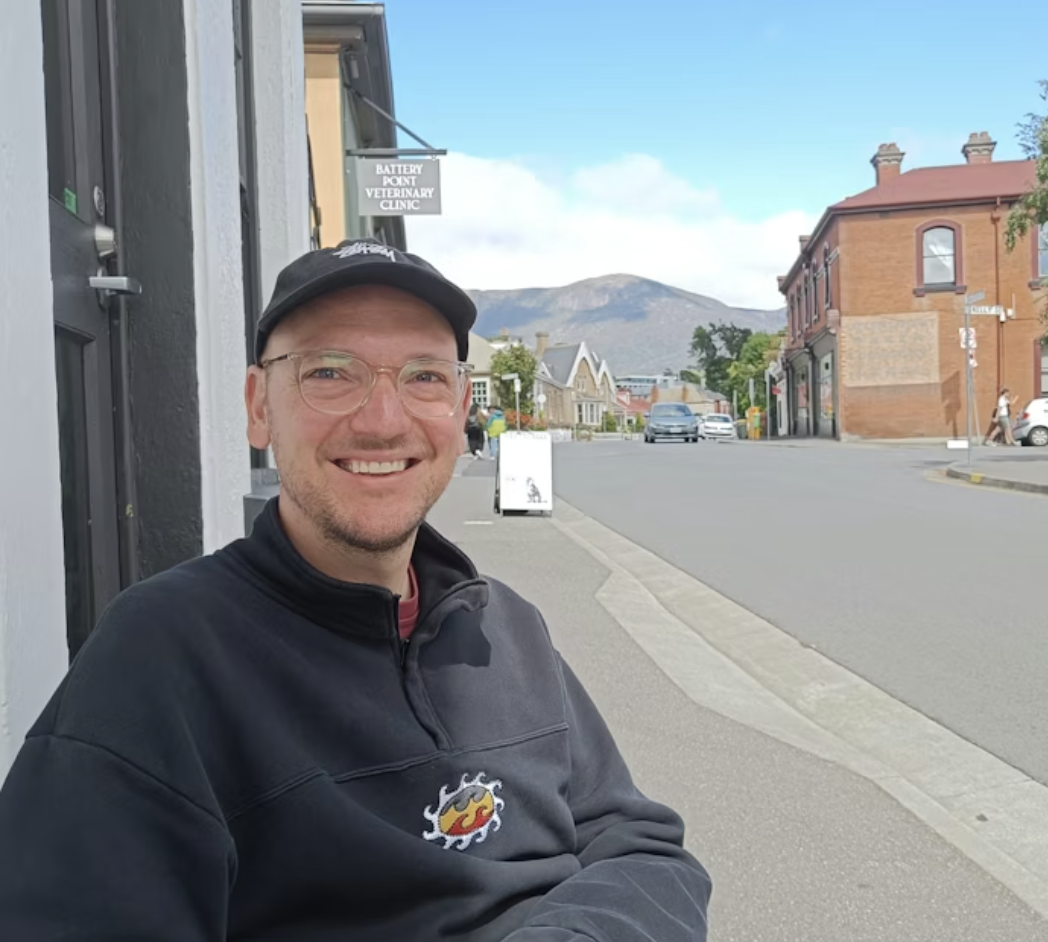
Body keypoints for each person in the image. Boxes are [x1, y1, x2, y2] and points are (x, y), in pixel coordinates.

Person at [0, 238, 711, 941]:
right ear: (259, 407)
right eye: (330, 372)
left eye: (424, 377)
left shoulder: (508, 628)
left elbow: (643, 848)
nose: (382, 420)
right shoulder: (162, 659)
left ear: (461, 410)